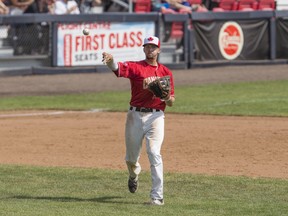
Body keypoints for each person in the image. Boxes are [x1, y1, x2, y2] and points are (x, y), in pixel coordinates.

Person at [102, 36, 175, 206]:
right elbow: (118, 69)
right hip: (135, 116)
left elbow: (171, 102)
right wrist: (110, 61)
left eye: (153, 47)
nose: (150, 50)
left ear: (159, 50)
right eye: (147, 47)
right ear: (143, 49)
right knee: (131, 157)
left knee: (154, 152)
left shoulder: (166, 72)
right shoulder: (136, 67)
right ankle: (133, 175)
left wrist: (164, 96)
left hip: (156, 116)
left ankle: (157, 197)